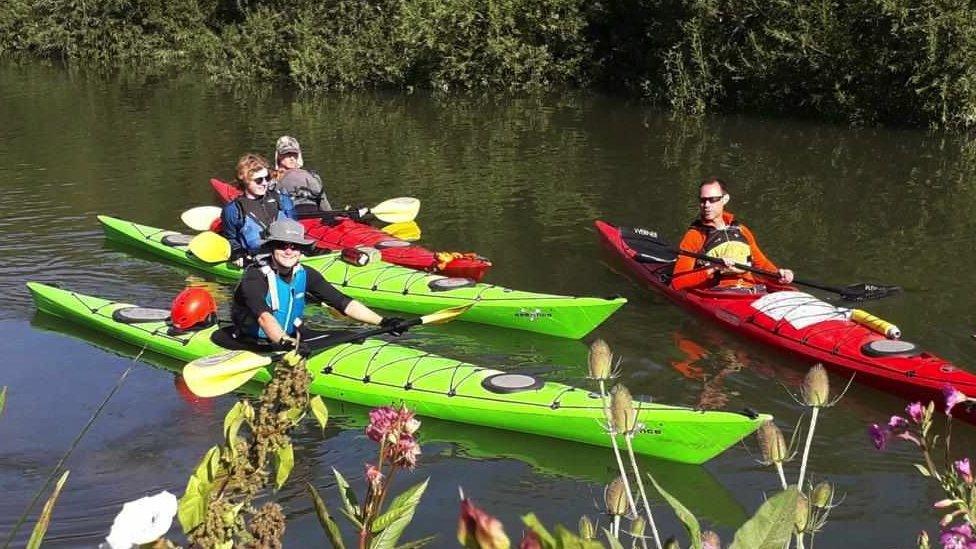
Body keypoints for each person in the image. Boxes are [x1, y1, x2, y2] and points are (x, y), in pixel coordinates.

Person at [230, 218, 406, 351]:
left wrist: (383, 321)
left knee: (353, 336)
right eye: (282, 245)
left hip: (293, 336)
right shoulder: (255, 277)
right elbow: (264, 317)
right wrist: (286, 342)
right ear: (270, 247)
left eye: (295, 246)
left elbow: (342, 302)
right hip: (256, 342)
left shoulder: (306, 274)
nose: (289, 251)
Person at [670, 177, 794, 292]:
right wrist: (713, 268)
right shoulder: (695, 235)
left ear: (725, 199)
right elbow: (677, 283)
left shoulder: (741, 230)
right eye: (703, 200)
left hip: (753, 290)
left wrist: (779, 274)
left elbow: (761, 265)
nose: (706, 205)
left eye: (712, 200)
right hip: (719, 294)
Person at [221, 153, 298, 264]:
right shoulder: (233, 210)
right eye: (258, 180)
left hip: (288, 256)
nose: (265, 183)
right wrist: (238, 253)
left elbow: (295, 226)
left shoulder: (281, 198)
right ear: (245, 180)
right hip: (257, 260)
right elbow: (230, 239)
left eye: (267, 178)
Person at [273, 136, 332, 215]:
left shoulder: (311, 176)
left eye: (294, 154)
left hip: (313, 217)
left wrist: (331, 216)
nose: (292, 158)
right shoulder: (271, 180)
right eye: (287, 154)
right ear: (279, 156)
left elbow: (324, 204)